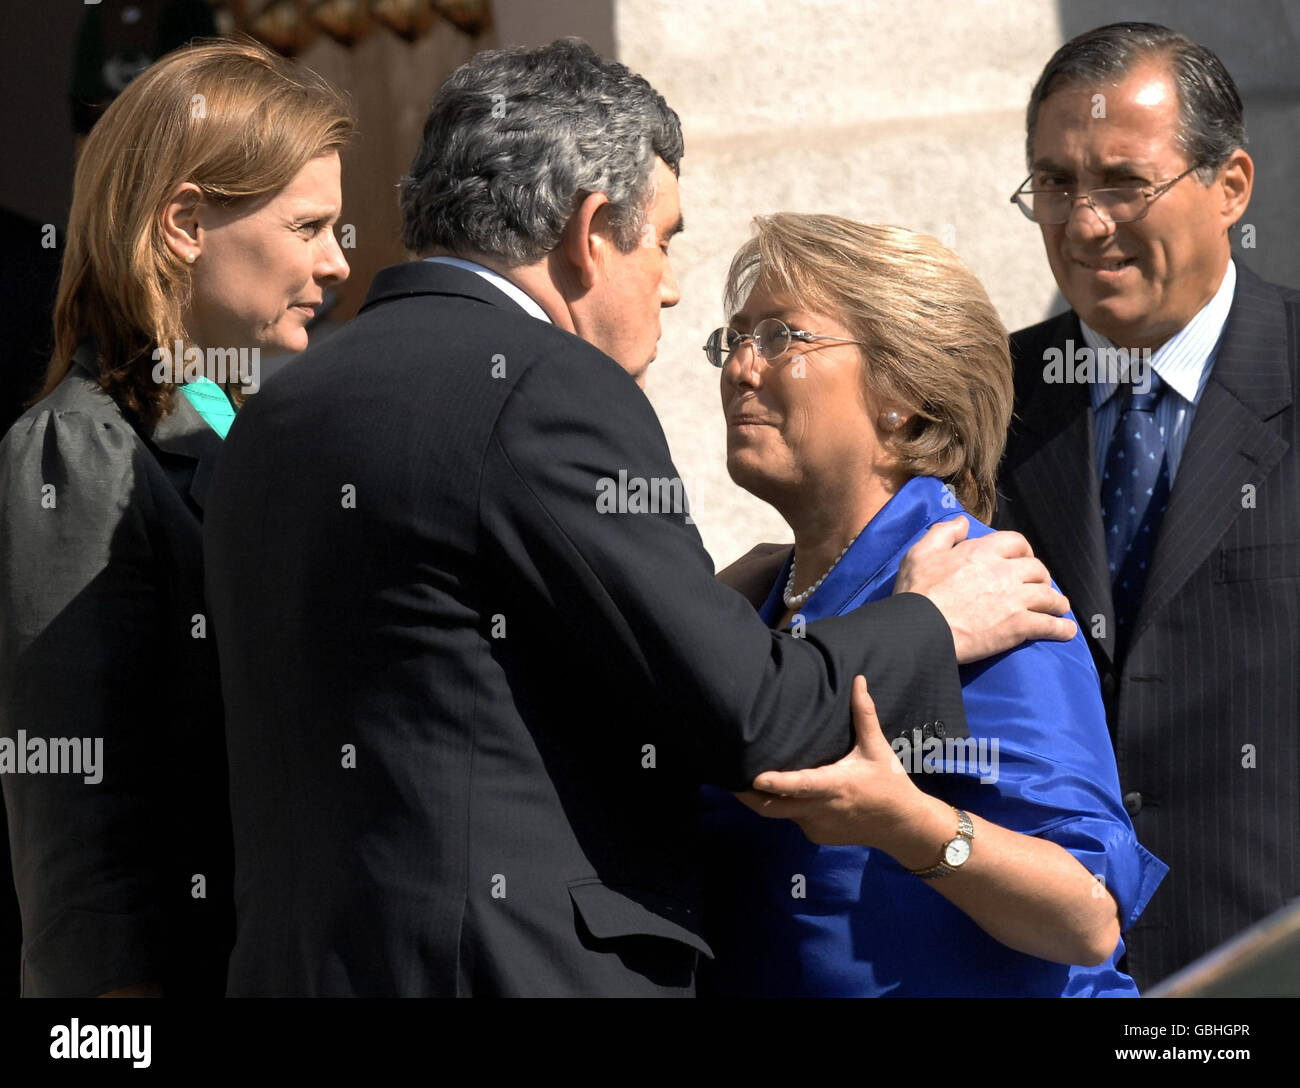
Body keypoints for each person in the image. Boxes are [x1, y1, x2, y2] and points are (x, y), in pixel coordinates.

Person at [203, 38, 1075, 998]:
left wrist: (698, 606)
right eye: (663, 238)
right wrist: (934, 624)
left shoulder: (275, 407)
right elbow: (756, 721)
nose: (668, 285)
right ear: (589, 232)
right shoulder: (543, 385)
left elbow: (460, 672)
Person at [696, 215, 1166, 997]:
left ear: (903, 399)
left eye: (783, 337)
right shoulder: (758, 600)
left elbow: (1086, 916)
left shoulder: (985, 593)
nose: (742, 367)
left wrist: (905, 822)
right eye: (735, 338)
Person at [0, 38, 352, 997]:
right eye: (309, 225)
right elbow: (73, 794)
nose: (334, 262)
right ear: (187, 222)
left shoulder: (231, 416)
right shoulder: (77, 447)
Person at [994, 22, 1300, 989]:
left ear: (1232, 187)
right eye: (1055, 184)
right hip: (1048, 965)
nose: (1085, 224)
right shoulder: (987, 402)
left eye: (1124, 182)